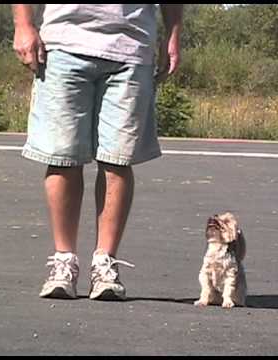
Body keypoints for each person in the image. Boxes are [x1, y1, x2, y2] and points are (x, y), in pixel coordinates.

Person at [11, 4, 183, 300]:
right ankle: (64, 261)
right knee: (61, 157)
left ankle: (105, 264)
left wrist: (173, 35)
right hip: (62, 45)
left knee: (118, 159)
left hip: (131, 47)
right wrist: (23, 24)